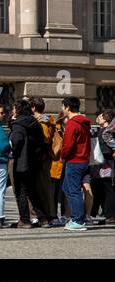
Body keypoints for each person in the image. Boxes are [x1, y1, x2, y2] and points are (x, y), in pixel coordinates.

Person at [8, 100, 49, 228]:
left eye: (14, 108)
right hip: (33, 161)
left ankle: (24, 220)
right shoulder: (34, 122)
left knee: (20, 191)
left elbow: (16, 140)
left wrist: (13, 149)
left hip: (20, 161)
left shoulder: (18, 124)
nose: (12, 110)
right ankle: (43, 219)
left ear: (18, 109)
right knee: (33, 191)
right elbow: (41, 143)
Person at [58, 97, 92, 231]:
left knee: (73, 191)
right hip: (83, 160)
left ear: (67, 107)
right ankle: (77, 216)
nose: (62, 109)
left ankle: (78, 220)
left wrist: (62, 156)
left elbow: (68, 145)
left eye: (63, 107)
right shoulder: (84, 123)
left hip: (74, 161)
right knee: (67, 188)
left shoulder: (72, 124)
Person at [32, 97, 65, 226]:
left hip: (42, 158)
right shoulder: (49, 120)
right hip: (46, 158)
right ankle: (49, 214)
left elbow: (45, 139)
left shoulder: (42, 122)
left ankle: (47, 215)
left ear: (33, 108)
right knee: (47, 187)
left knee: (43, 187)